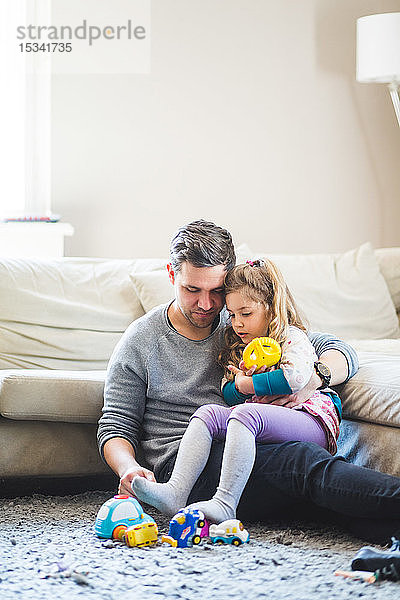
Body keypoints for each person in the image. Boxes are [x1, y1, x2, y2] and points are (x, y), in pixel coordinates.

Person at [98, 219, 400, 543]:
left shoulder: (242, 318)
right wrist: (129, 468)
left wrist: (313, 379)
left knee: (330, 498)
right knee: (301, 462)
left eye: (216, 291)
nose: (206, 304)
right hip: (192, 471)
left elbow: (337, 350)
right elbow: (116, 425)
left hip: (255, 445)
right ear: (172, 275)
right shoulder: (141, 340)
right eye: (192, 290)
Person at [131, 258, 341, 523]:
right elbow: (228, 394)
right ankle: (175, 491)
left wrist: (248, 384)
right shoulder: (242, 346)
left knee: (244, 415)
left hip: (308, 419)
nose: (236, 323)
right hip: (267, 420)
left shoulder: (291, 337)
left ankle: (225, 503)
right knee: (209, 413)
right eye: (231, 315)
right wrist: (238, 387)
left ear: (271, 308)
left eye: (246, 314)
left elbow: (295, 378)